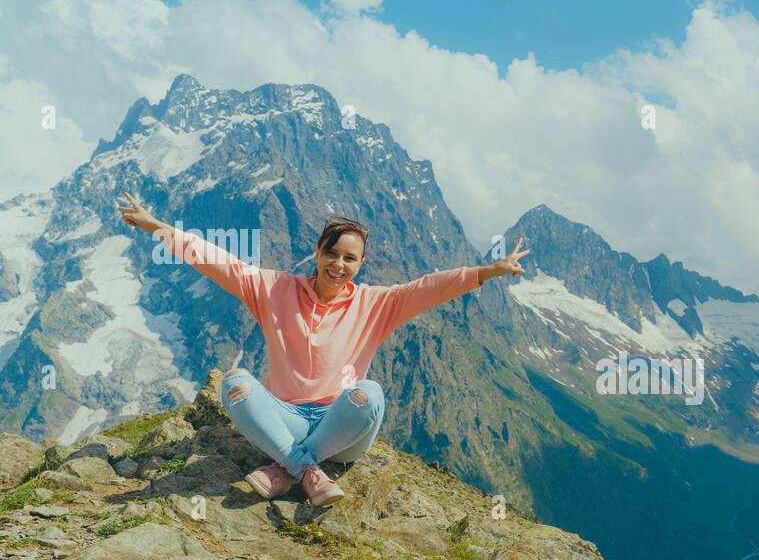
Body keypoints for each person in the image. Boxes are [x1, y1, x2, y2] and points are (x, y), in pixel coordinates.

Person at [116, 193, 528, 506]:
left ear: (360, 264)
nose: (339, 264)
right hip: (287, 419)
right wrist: (157, 227)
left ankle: (286, 467)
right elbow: (217, 261)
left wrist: (488, 271)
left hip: (343, 428)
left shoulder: (376, 304)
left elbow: (429, 287)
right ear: (317, 252)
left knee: (371, 394)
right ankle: (307, 471)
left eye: (350, 258)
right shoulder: (274, 289)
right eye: (332, 253)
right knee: (236, 383)